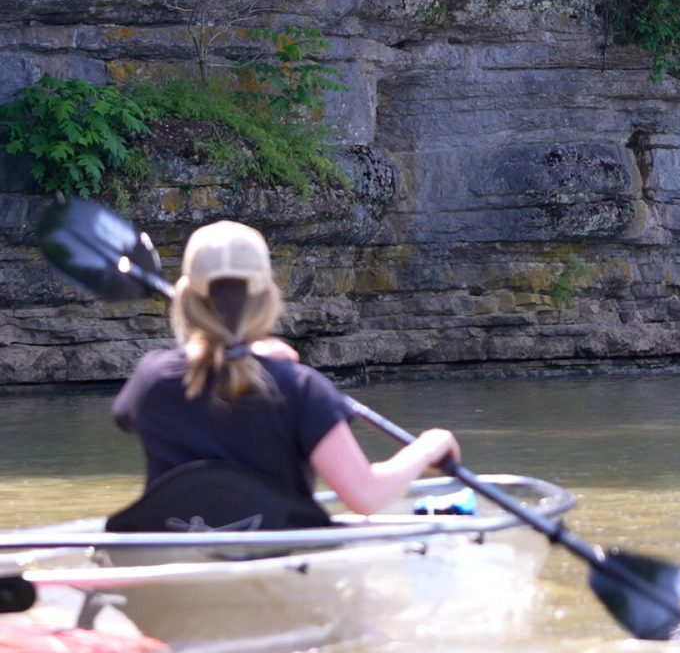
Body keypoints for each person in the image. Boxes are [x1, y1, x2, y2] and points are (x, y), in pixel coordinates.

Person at [111, 219, 460, 519]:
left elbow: (131, 413)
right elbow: (365, 497)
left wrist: (246, 354)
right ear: (267, 298)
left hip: (171, 573)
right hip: (281, 572)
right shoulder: (300, 389)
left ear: (186, 298)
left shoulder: (151, 380)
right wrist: (430, 446)